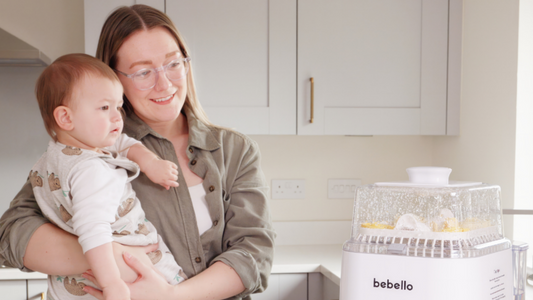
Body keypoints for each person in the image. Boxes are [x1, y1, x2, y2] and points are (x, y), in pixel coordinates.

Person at [0, 4, 275, 300]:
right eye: (143, 72)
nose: (165, 82)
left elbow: (253, 254)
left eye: (173, 63)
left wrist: (169, 296)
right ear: (114, 78)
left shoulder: (234, 150)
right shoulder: (91, 147)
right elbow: (11, 235)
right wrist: (112, 258)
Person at [29, 53, 187, 300]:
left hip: (71, 280)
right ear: (66, 117)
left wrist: (150, 163)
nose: (117, 118)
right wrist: (113, 283)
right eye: (104, 108)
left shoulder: (55, 155)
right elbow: (94, 230)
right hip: (126, 271)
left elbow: (121, 142)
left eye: (118, 106)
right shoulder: (92, 171)